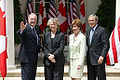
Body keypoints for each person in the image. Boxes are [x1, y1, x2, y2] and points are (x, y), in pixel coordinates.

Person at [17, 13, 41, 80]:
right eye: (32, 19)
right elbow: (20, 33)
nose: (33, 20)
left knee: (32, 77)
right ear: (28, 19)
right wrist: (21, 30)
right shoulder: (25, 28)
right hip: (26, 59)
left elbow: (35, 42)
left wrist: (40, 48)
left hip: (34, 59)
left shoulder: (36, 29)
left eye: (35, 19)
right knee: (26, 78)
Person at [86, 14, 109, 80]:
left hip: (99, 59)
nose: (91, 22)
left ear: (96, 21)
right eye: (89, 21)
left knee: (101, 77)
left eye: (92, 20)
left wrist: (102, 56)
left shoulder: (102, 30)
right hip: (90, 59)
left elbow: (106, 44)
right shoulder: (88, 32)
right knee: (90, 78)